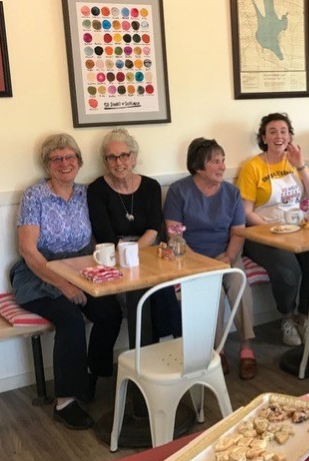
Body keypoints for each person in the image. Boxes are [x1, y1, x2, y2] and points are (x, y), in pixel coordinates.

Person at [10, 133, 123, 429]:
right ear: (47, 165)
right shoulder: (36, 196)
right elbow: (27, 250)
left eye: (70, 157)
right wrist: (63, 285)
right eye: (56, 158)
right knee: (70, 319)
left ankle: (90, 375)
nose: (64, 163)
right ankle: (65, 401)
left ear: (80, 162)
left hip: (82, 269)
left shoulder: (88, 193)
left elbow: (99, 238)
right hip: (39, 274)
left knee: (110, 312)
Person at [163, 138, 257, 380]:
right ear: (198, 166)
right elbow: (174, 236)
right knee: (210, 290)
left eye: (223, 160)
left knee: (240, 285)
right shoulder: (179, 191)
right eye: (216, 161)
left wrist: (228, 257)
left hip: (225, 254)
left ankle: (247, 347)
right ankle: (217, 350)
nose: (223, 166)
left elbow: (238, 231)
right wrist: (201, 263)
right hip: (191, 257)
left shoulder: (232, 192)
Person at [236, 113, 309, 347]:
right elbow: (245, 212)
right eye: (272, 131)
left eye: (283, 131)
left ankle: (306, 316)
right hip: (261, 233)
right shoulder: (252, 167)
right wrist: (271, 229)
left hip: (297, 229)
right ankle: (287, 317)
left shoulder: (295, 163)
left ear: (290, 136)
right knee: (288, 270)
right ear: (263, 138)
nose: (279, 136)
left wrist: (302, 166)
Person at [88, 128, 181, 341]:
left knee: (163, 289)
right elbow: (105, 236)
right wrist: (128, 257)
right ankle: (144, 359)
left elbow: (153, 229)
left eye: (124, 155)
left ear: (134, 158)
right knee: (137, 297)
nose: (118, 162)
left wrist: (136, 254)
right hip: (115, 258)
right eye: (111, 157)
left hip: (148, 250)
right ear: (105, 161)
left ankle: (176, 349)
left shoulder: (150, 186)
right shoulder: (97, 189)